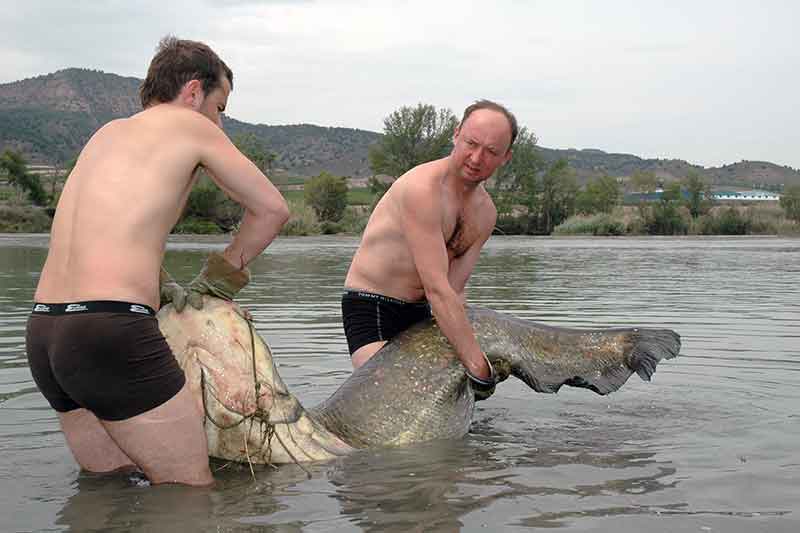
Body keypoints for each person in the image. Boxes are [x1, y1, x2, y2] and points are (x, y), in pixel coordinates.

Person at [24, 36, 289, 486]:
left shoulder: (106, 135)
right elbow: (272, 210)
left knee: (105, 491)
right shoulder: (191, 126)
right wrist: (216, 282)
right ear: (192, 92)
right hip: (108, 331)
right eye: (220, 107)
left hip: (45, 332)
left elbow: (105, 230)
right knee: (189, 495)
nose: (219, 124)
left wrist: (161, 284)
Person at [342, 99, 517, 396]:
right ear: (456, 134)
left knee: (451, 400)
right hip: (372, 306)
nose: (476, 158)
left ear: (506, 157)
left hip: (425, 314)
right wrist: (477, 366)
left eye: (491, 152)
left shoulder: (486, 213)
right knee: (393, 397)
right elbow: (437, 288)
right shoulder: (422, 190)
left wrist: (473, 364)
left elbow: (455, 289)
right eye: (471, 143)